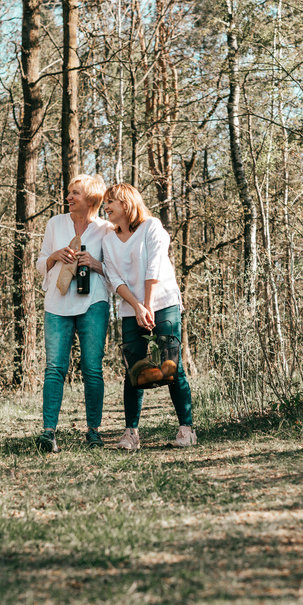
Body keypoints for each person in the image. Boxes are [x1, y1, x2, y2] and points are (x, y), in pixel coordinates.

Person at [101, 183, 196, 450]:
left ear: (127, 203)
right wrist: (137, 306)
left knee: (171, 366)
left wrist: (149, 304)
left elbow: (154, 264)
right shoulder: (108, 239)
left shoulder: (151, 227)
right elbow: (114, 277)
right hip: (131, 308)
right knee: (134, 370)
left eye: (111, 201)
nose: (105, 206)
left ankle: (186, 430)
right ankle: (131, 433)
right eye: (105, 202)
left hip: (163, 302)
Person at [35, 174, 113, 452]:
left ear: (91, 199)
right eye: (69, 192)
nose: (68, 197)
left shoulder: (106, 229)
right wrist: (55, 256)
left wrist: (94, 263)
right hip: (57, 304)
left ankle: (93, 432)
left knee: (92, 369)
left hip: (93, 303)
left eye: (75, 193)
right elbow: (39, 262)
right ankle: (48, 433)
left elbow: (116, 272)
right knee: (54, 368)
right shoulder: (55, 223)